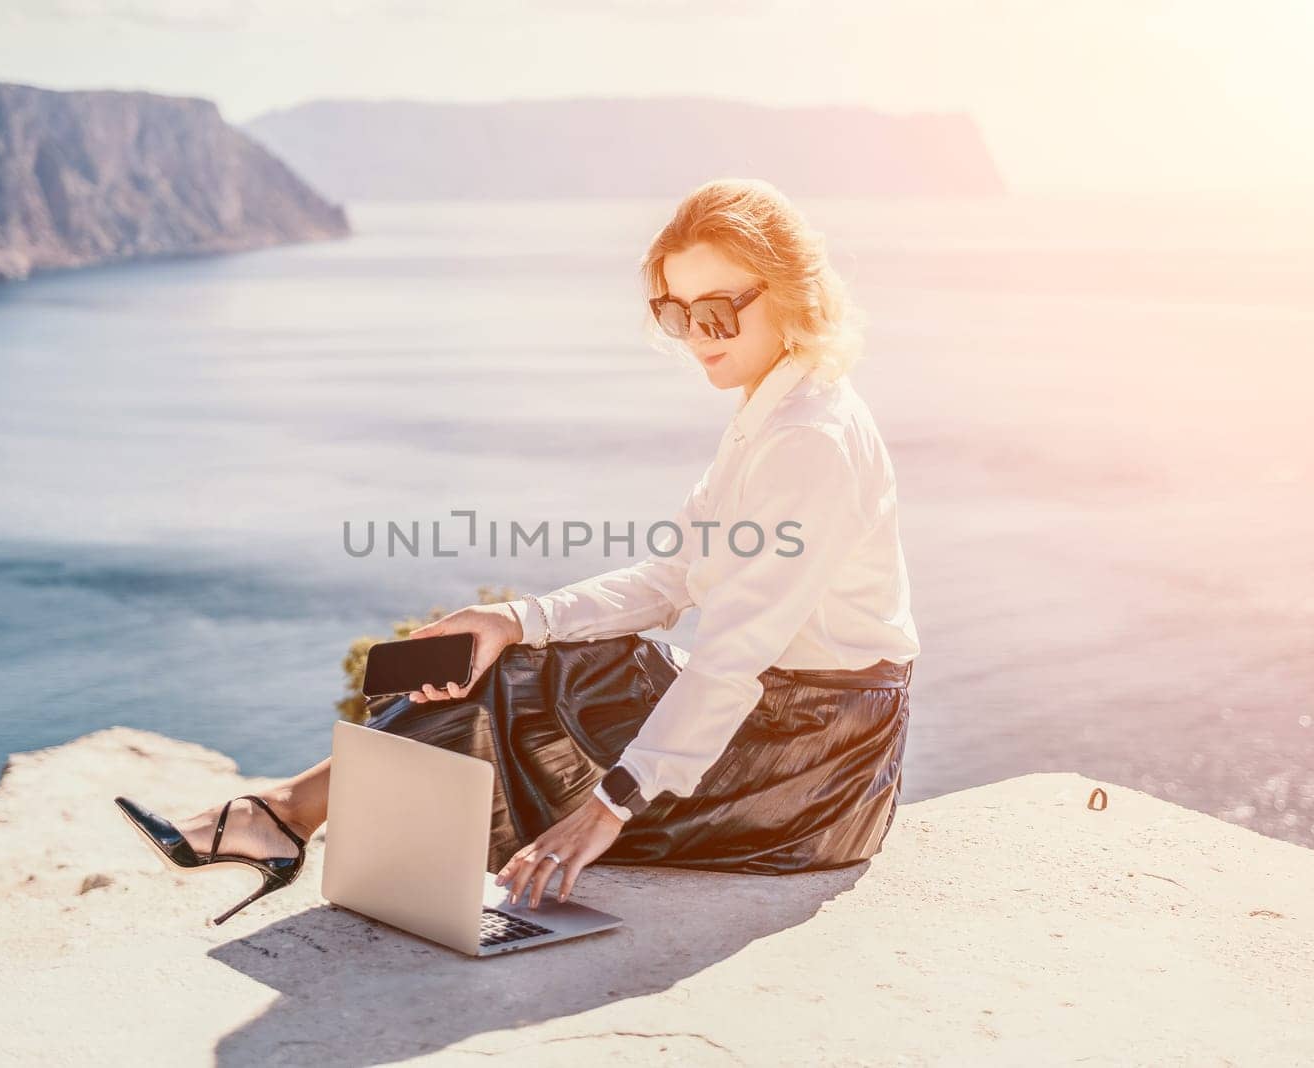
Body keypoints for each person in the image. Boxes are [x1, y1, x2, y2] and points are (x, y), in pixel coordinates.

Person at [116, 177, 920, 927]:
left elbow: (730, 659)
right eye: (675, 316)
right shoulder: (772, 413)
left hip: (812, 765)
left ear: (791, 294)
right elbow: (675, 577)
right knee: (514, 656)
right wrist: (513, 617)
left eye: (714, 312)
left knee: (543, 682)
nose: (694, 337)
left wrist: (608, 806)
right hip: (782, 723)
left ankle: (284, 819)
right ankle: (286, 814)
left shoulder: (806, 440)